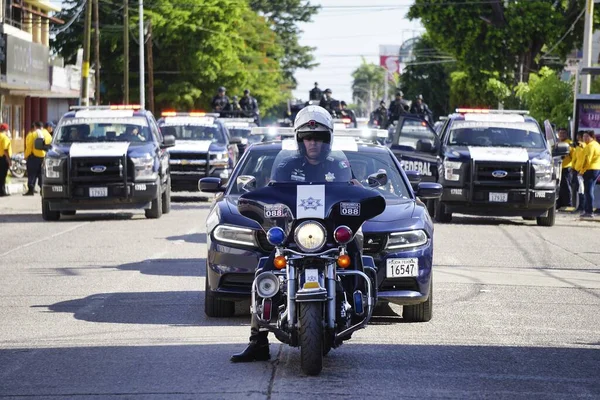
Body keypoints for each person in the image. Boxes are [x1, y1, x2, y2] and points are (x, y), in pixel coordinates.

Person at [230, 106, 359, 363]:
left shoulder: (339, 164)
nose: (314, 143)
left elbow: (352, 188)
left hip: (329, 233)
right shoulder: (287, 166)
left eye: (320, 137)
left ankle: (355, 303)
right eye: (308, 138)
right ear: (300, 140)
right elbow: (274, 191)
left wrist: (359, 191)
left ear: (328, 139)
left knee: (354, 244)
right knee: (263, 273)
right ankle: (258, 340)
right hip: (295, 234)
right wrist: (262, 200)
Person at [24, 121, 52, 196]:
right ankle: (42, 190)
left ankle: (31, 190)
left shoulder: (33, 134)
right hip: (44, 157)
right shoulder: (48, 135)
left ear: (35, 126)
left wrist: (26, 156)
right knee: (41, 174)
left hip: (33, 157)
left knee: (32, 174)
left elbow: (29, 147)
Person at [579, 130, 600, 218]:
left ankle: (589, 211)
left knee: (588, 191)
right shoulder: (596, 144)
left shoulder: (590, 146)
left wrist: (582, 171)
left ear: (592, 137)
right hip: (596, 168)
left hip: (590, 169)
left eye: (587, 136)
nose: (585, 138)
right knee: (589, 190)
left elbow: (587, 161)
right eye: (584, 136)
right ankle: (589, 210)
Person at [557, 128, 574, 210]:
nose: (561, 135)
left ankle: (568, 203)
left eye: (563, 133)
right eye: (560, 133)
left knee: (566, 186)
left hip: (567, 167)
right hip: (558, 167)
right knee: (559, 186)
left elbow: (574, 156)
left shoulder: (569, 143)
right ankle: (559, 203)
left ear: (566, 135)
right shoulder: (557, 143)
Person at [572, 131, 587, 212]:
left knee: (581, 189)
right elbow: (575, 159)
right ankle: (581, 206)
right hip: (577, 170)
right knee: (580, 189)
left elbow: (583, 160)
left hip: (580, 171)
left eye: (578, 137)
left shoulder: (582, 147)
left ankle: (582, 207)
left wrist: (580, 170)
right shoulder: (579, 147)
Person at [0, 123, 12, 197]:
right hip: (3, 159)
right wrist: (9, 161)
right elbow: (5, 150)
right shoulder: (5, 138)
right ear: (6, 129)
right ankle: (2, 191)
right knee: (2, 176)